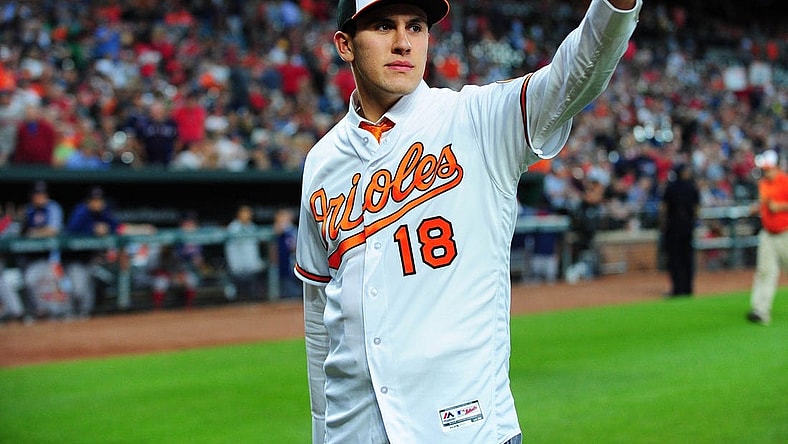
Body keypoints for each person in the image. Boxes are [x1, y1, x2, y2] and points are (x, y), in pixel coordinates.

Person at [293, 0, 642, 442]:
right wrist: (323, 431)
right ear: (345, 44)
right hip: (355, 431)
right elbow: (320, 313)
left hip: (467, 429)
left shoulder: (476, 119)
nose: (403, 43)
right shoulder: (322, 162)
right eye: (383, 26)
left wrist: (617, 7)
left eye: (415, 27)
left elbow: (573, 77)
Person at [64, 186, 121, 318]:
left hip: (90, 259)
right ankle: (70, 316)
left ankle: (84, 320)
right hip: (74, 259)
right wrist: (92, 229)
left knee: (87, 296)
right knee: (78, 291)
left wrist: (107, 228)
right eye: (94, 200)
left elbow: (116, 227)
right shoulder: (80, 212)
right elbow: (72, 231)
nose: (97, 203)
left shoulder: (104, 213)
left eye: (99, 200)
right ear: (88, 201)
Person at [747, 150, 788, 326]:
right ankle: (760, 310)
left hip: (785, 233)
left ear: (777, 167)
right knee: (765, 271)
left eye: (769, 168)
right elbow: (764, 203)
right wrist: (757, 208)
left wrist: (780, 206)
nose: (766, 171)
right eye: (765, 169)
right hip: (768, 234)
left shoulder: (785, 182)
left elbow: (776, 205)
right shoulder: (763, 183)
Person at [19, 181, 68, 319]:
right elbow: (21, 233)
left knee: (57, 288)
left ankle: (59, 313)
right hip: (30, 258)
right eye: (37, 194)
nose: (40, 197)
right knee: (30, 282)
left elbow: (52, 230)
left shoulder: (53, 208)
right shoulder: (28, 210)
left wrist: (34, 233)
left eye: (42, 194)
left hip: (52, 257)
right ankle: (36, 313)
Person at [660, 164, 700, 297]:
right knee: (687, 258)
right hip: (687, 227)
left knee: (675, 258)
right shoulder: (692, 187)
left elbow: (663, 208)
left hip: (673, 227)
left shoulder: (670, 187)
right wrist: (693, 222)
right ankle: (688, 287)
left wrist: (663, 225)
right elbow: (697, 209)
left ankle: (677, 288)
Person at [224, 204, 266, 301]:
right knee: (239, 296)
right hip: (238, 267)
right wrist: (233, 265)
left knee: (253, 294)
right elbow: (229, 250)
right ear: (238, 214)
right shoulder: (233, 228)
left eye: (248, 213)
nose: (247, 215)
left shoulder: (252, 227)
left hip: (252, 266)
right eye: (244, 212)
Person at [273, 208, 300, 300]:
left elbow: (294, 247)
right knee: (282, 293)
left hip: (293, 265)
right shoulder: (275, 232)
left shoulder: (293, 230)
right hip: (280, 267)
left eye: (284, 217)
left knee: (294, 293)